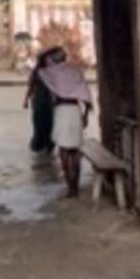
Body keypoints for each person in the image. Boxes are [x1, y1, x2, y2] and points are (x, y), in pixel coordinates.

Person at [37, 46, 92, 198]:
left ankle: (70, 188)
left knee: (64, 151)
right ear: (65, 57)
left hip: (61, 111)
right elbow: (86, 95)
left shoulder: (50, 72)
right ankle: (76, 187)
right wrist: (86, 115)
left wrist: (46, 54)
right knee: (75, 150)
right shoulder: (75, 70)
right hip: (75, 110)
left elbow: (39, 67)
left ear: (52, 59)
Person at [22, 48, 55, 153]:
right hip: (43, 100)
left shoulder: (39, 71)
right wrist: (26, 99)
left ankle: (42, 143)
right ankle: (45, 143)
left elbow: (30, 86)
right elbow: (31, 86)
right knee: (45, 122)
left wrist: (26, 100)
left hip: (41, 100)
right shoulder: (42, 72)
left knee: (41, 122)